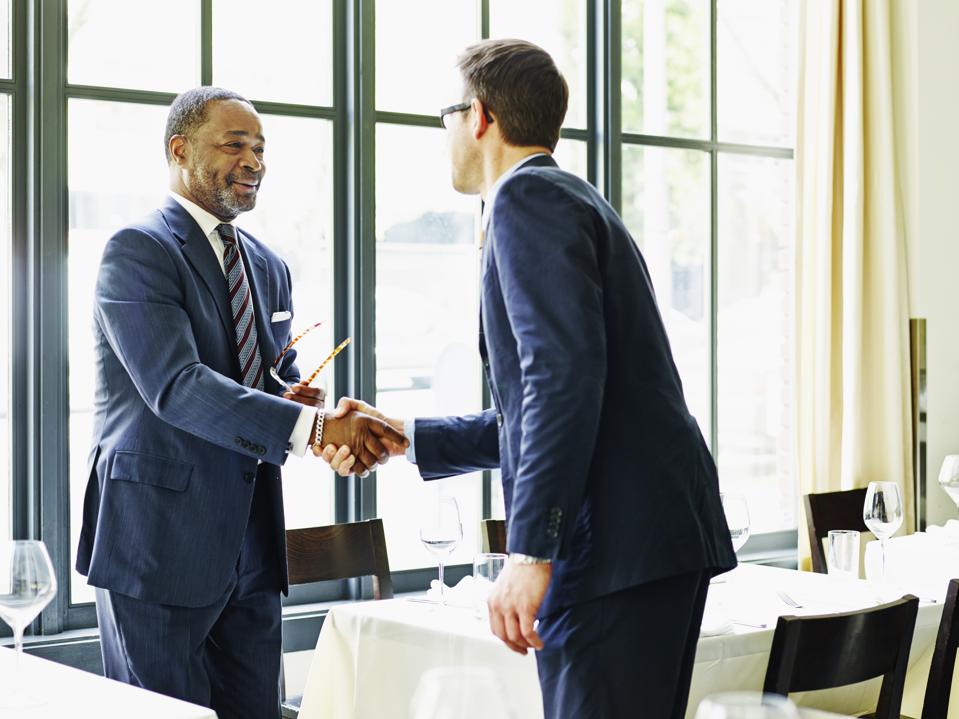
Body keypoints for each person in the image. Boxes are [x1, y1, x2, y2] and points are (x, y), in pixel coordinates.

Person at [321, 40, 736, 719]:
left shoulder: (525, 201)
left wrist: (529, 549)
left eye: (446, 115)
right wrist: (405, 435)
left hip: (611, 546)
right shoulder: (569, 199)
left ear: (478, 115)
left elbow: (561, 383)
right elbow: (557, 396)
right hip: (647, 536)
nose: (445, 133)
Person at [76, 86, 405, 719]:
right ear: (179, 149)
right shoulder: (137, 251)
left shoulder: (268, 264)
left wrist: (294, 396)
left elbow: (263, 378)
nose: (254, 160)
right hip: (156, 546)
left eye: (260, 147)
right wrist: (312, 428)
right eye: (235, 144)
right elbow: (177, 387)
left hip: (253, 546)